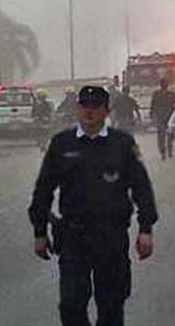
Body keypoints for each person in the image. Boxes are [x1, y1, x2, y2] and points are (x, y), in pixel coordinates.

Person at [28, 86, 158, 326]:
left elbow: (141, 187)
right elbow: (44, 189)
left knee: (111, 305)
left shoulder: (121, 143)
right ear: (77, 108)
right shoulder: (61, 144)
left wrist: (146, 228)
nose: (89, 111)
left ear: (106, 110)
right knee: (71, 303)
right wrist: (39, 232)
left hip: (110, 236)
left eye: (96, 106)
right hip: (73, 236)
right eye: (84, 105)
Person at [150, 78, 175, 160]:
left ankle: (163, 152)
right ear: (167, 85)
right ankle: (169, 151)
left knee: (161, 136)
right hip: (169, 117)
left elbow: (152, 105)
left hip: (160, 117)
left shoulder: (156, 94)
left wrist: (152, 114)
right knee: (169, 135)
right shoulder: (171, 94)